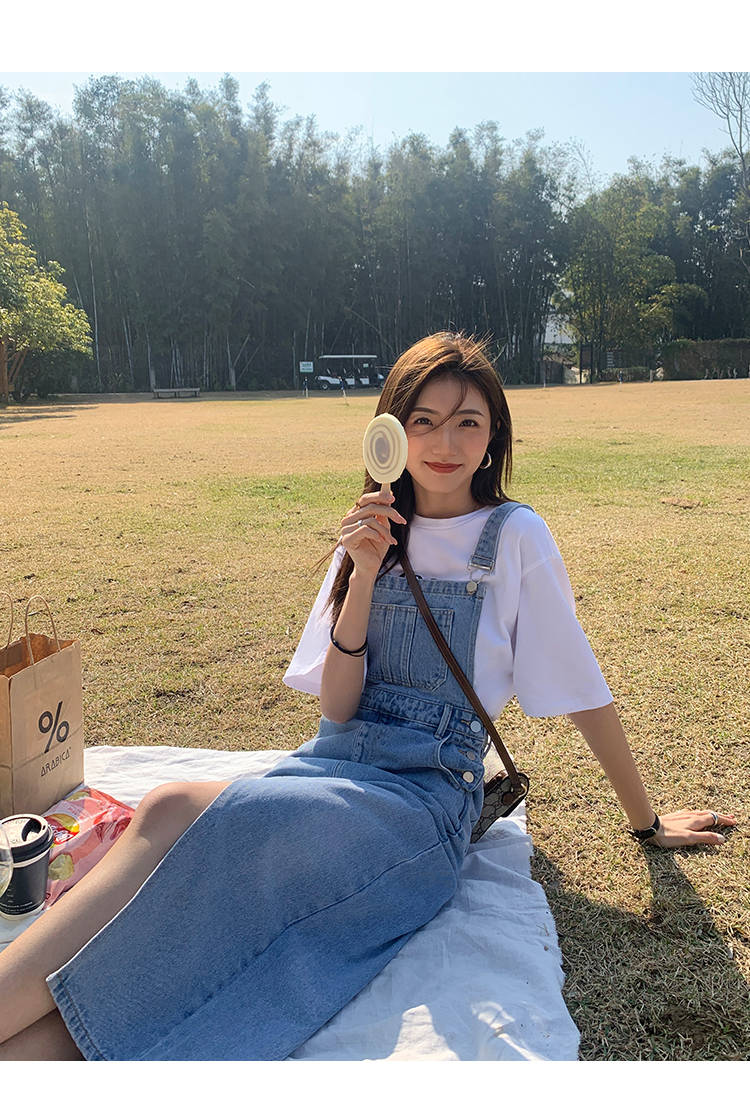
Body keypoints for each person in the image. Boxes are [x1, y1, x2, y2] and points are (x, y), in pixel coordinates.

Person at [0, 333, 735, 1061]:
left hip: (424, 792)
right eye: (424, 421)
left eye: (467, 422)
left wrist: (646, 824)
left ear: (493, 437)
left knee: (198, 822)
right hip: (338, 759)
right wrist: (361, 570)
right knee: (169, 819)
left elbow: (583, 691)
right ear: (392, 432)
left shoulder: (515, 536)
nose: (444, 442)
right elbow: (338, 710)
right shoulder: (370, 528)